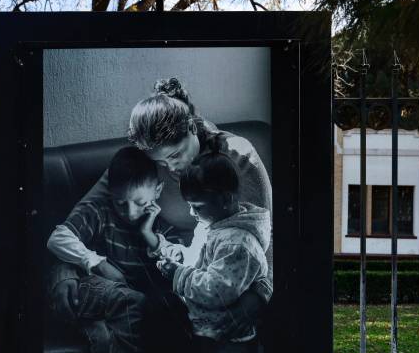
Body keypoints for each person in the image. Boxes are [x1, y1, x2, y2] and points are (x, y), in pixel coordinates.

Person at [51, 77, 273, 323]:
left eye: (176, 155)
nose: (171, 168)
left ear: (191, 128)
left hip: (229, 280)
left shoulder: (238, 156)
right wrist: (66, 271)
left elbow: (266, 241)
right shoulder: (146, 160)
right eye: (160, 163)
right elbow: (83, 216)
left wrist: (253, 302)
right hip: (175, 275)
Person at [47, 146, 182, 353]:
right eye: (121, 203)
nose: (130, 212)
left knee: (107, 333)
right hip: (93, 286)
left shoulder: (161, 228)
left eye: (140, 203)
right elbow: (58, 238)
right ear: (110, 192)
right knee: (132, 300)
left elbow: (177, 264)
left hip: (120, 304)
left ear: (158, 191)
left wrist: (147, 234)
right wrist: (97, 263)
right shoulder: (100, 212)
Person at [158, 150, 271, 353]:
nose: (191, 213)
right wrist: (183, 255)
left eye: (196, 206)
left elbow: (216, 290)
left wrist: (179, 274)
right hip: (207, 332)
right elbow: (204, 260)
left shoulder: (237, 244)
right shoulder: (212, 224)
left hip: (227, 340)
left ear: (226, 200)